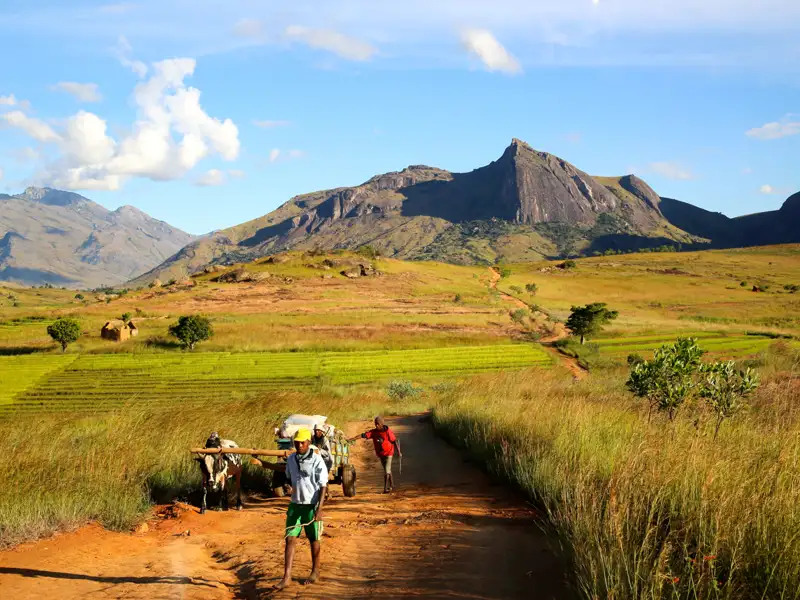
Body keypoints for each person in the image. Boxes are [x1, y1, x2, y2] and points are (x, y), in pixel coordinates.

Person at [274, 427, 328, 591]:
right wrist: (288, 487)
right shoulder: (291, 460)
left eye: (302, 443)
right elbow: (289, 478)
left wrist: (319, 509)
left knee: (314, 539)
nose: (299, 446)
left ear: (309, 443)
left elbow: (323, 485)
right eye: (296, 443)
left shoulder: (317, 460)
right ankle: (286, 577)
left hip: (312, 506)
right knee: (290, 539)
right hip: (295, 506)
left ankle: (315, 572)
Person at [349, 416, 401, 493]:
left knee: (387, 470)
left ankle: (385, 488)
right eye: (375, 424)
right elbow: (363, 435)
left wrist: (399, 451)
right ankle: (392, 485)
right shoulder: (374, 432)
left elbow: (394, 441)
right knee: (387, 470)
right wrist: (352, 439)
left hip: (389, 453)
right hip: (381, 454)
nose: (376, 425)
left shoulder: (388, 432)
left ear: (382, 424)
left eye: (378, 424)